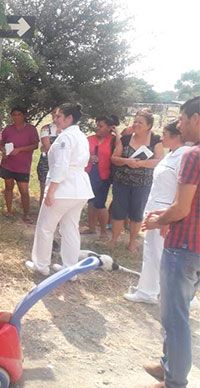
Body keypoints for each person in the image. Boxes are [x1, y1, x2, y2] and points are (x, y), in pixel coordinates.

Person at [142, 97, 199, 388]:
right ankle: (168, 366)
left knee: (174, 317)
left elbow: (180, 208)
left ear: (196, 119)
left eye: (183, 118)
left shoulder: (192, 155)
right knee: (179, 309)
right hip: (196, 250)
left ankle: (174, 381)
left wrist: (157, 221)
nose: (179, 124)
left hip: (184, 248)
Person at [123, 121, 190, 304]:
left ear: (176, 136)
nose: (162, 138)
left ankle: (175, 294)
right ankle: (149, 289)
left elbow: (183, 188)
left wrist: (167, 217)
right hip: (155, 205)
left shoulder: (184, 155)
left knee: (160, 252)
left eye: (166, 135)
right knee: (152, 250)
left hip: (166, 210)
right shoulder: (172, 154)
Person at [26, 103, 93, 276]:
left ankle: (41, 265)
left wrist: (51, 191)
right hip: (79, 189)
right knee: (70, 228)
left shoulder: (65, 138)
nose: (55, 119)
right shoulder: (80, 136)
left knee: (46, 227)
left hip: (64, 188)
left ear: (69, 118)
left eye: (59, 116)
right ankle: (70, 269)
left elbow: (61, 167)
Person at [110, 109, 164, 252]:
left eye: (140, 122)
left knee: (137, 213)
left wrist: (141, 164)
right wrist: (127, 161)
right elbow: (114, 158)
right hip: (121, 182)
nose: (136, 124)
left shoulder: (155, 140)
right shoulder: (125, 139)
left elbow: (159, 161)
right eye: (135, 121)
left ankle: (132, 242)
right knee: (118, 211)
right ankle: (114, 240)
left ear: (149, 126)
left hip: (143, 184)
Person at [0, 107, 39, 223]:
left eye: (19, 114)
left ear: (24, 115)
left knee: (24, 191)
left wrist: (20, 149)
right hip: (8, 164)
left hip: (23, 166)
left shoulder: (31, 129)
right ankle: (9, 210)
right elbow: (1, 144)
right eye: (14, 115)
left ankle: (26, 214)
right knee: (8, 188)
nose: (16, 117)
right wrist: (3, 151)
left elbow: (35, 145)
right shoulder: (8, 129)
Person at [81, 116, 118, 238]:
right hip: (90, 173)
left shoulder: (113, 140)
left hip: (104, 175)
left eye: (101, 126)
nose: (98, 128)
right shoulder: (89, 139)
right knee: (91, 202)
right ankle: (91, 228)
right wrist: (88, 158)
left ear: (109, 127)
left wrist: (116, 132)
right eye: (97, 125)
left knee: (100, 203)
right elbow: (81, 154)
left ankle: (103, 231)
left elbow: (120, 150)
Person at [36, 108, 59, 205]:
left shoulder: (66, 130)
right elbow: (47, 146)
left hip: (60, 163)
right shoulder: (46, 128)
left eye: (58, 113)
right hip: (46, 162)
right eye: (54, 113)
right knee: (44, 189)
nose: (56, 115)